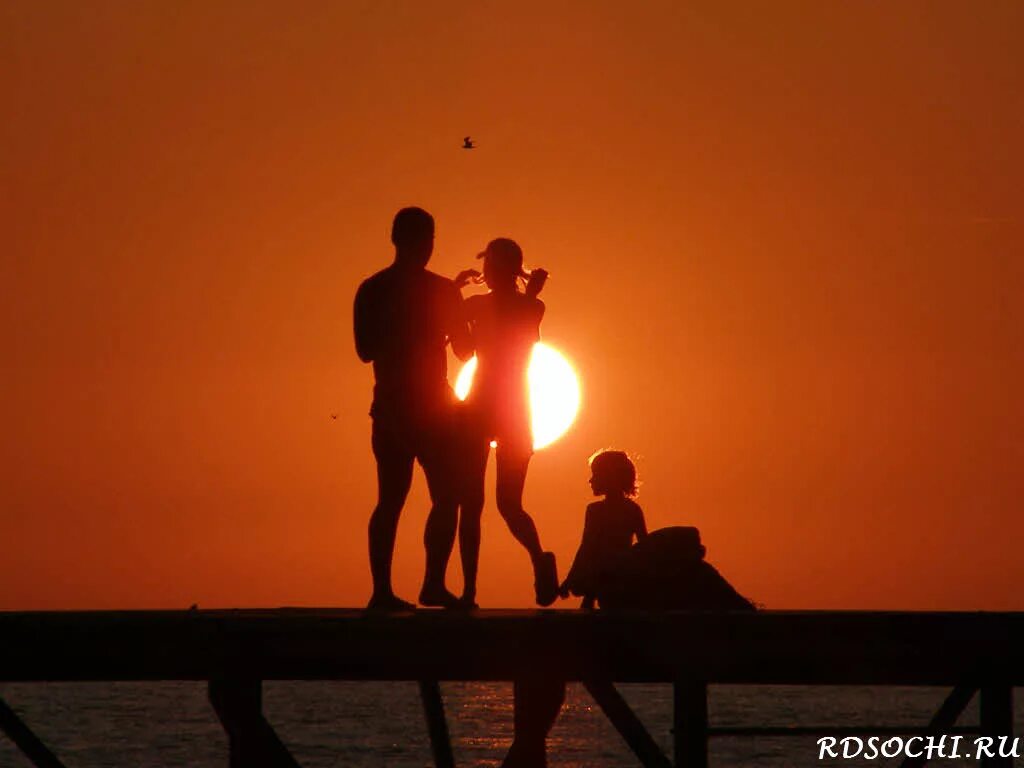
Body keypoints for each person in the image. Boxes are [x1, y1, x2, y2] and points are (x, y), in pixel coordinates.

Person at [353, 207, 477, 611]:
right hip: (426, 410)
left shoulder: (372, 289)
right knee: (445, 496)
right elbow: (465, 350)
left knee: (392, 499)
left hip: (392, 407)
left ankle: (384, 591)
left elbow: (365, 350)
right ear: (426, 242)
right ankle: (430, 584)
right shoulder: (441, 291)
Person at [456, 238, 558, 607]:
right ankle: (474, 588)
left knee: (491, 504)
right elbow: (469, 348)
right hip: (503, 408)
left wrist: (454, 297)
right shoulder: (527, 306)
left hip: (495, 407)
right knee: (490, 503)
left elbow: (467, 348)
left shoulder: (517, 307)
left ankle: (478, 587)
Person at [559, 450, 647, 609]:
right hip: (619, 578)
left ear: (609, 477)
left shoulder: (595, 511)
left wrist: (570, 580)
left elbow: (586, 548)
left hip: (611, 579)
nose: (591, 480)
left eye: (596, 474)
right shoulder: (632, 509)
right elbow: (645, 548)